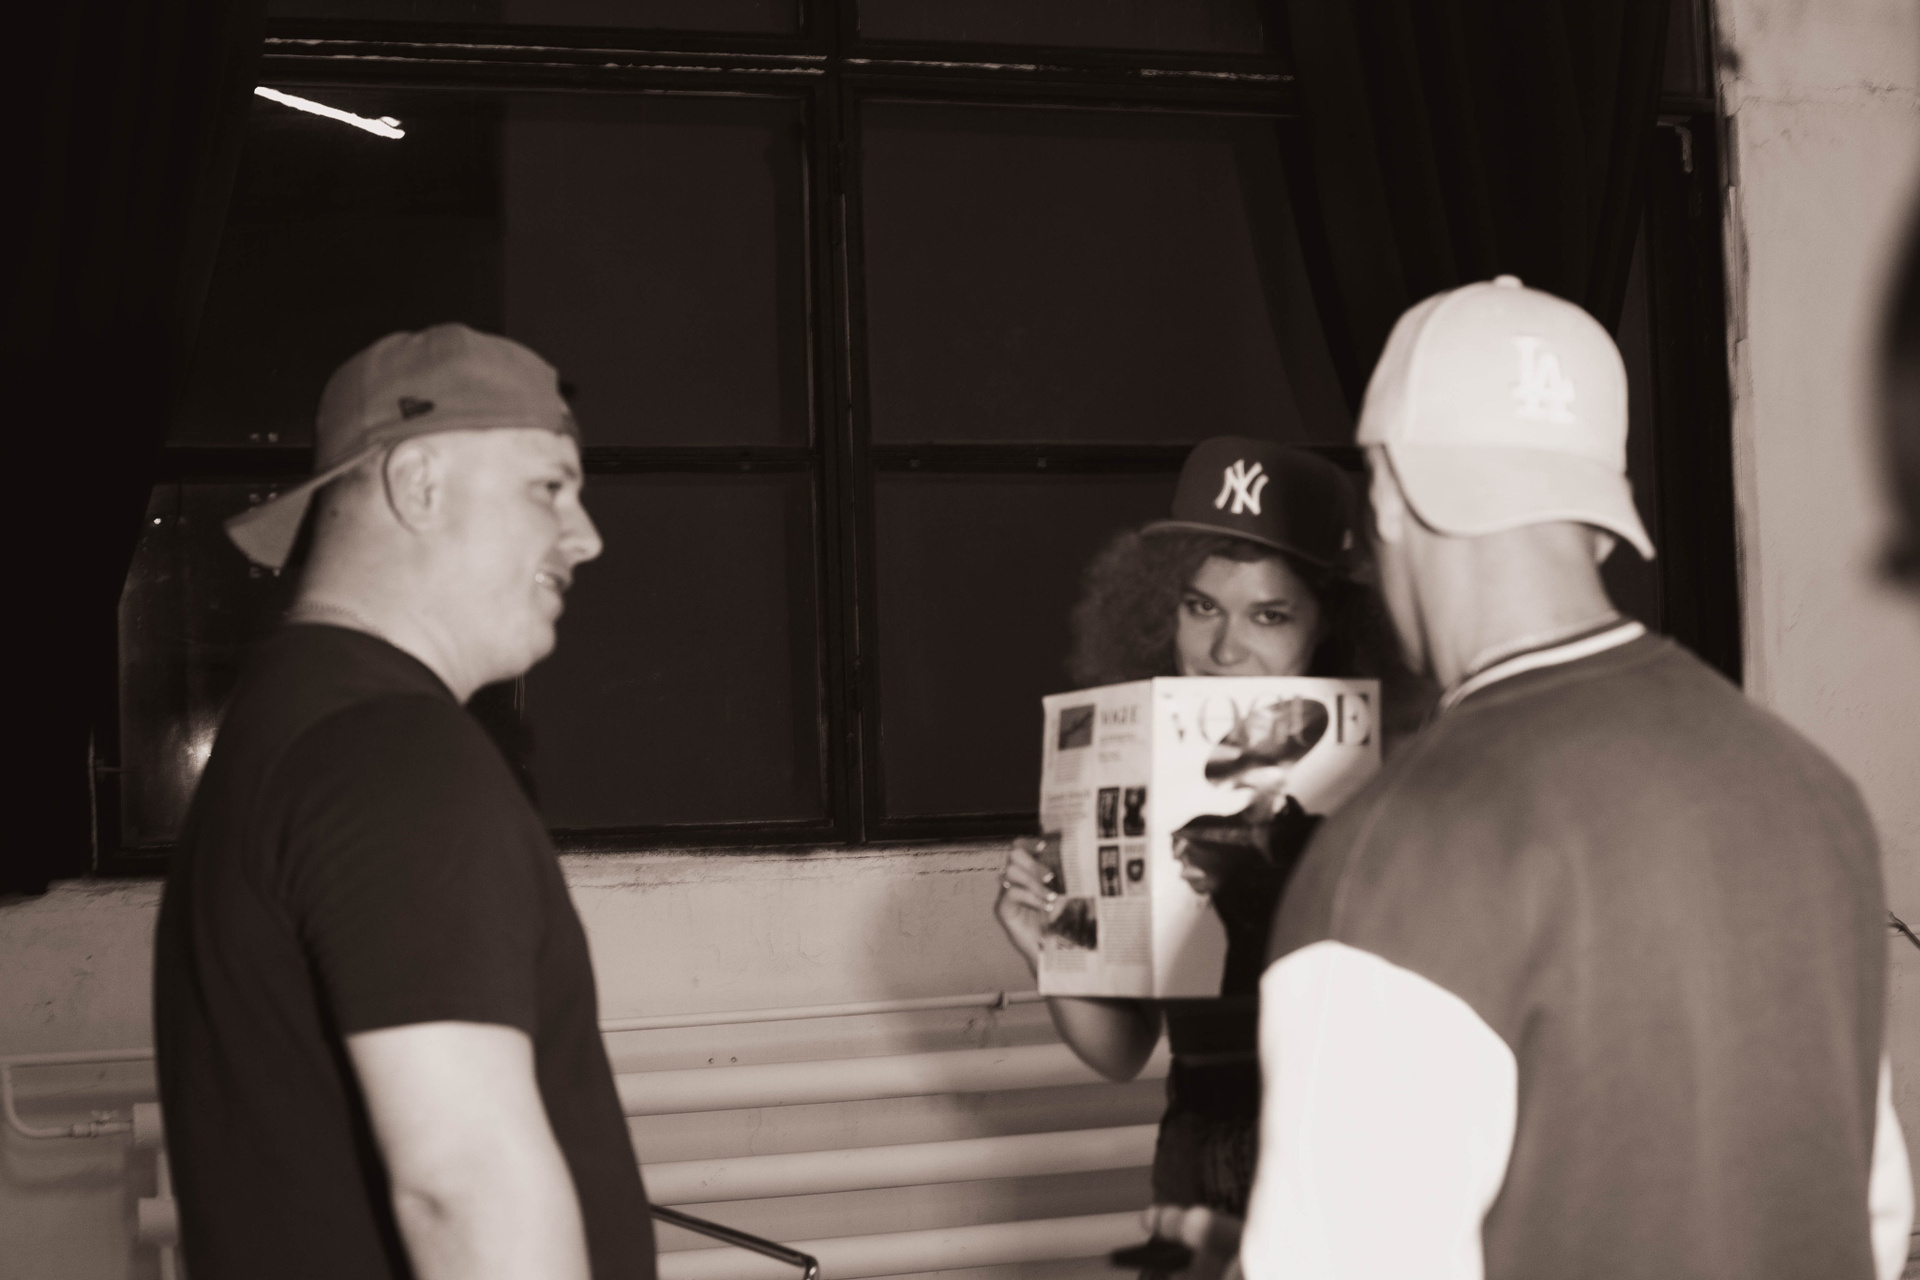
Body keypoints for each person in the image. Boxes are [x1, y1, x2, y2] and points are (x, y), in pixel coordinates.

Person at [1241, 276, 1914, 1280]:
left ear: (1388, 497)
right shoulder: (1813, 790)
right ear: (1598, 518)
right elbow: (1869, 1215)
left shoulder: (1397, 850)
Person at [153, 323, 654, 1280]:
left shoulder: (290, 723)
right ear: (419, 482)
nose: (586, 538)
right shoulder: (393, 752)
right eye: (550, 487)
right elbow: (464, 1193)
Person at [994, 436, 1398, 1224]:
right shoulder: (1148, 781)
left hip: (1347, 1168)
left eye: (1269, 615)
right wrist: (1048, 950)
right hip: (1195, 1157)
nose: (1222, 650)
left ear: (1329, 622)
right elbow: (1122, 1050)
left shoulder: (1398, 781)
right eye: (1201, 606)